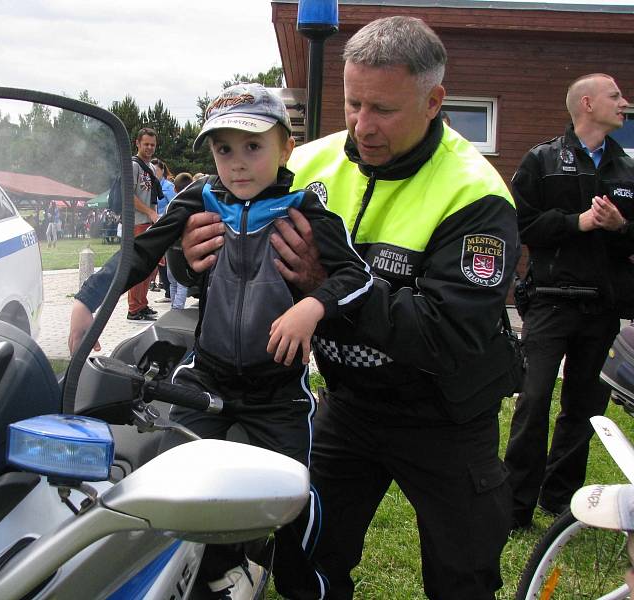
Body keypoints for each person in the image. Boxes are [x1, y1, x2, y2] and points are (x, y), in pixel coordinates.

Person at [179, 17, 520, 599]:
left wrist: (322, 287)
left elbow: (446, 332)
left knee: (462, 576)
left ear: (435, 100)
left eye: (383, 109)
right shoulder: (306, 163)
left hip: (446, 413)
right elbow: (237, 257)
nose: (363, 126)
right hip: (350, 402)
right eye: (352, 103)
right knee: (308, 556)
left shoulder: (474, 192)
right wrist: (194, 261)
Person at [69, 82, 372, 599]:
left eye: (253, 146)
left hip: (278, 393)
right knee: (166, 484)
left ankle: (304, 586)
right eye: (222, 148)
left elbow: (357, 275)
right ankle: (198, 570)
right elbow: (142, 250)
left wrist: (311, 305)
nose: (236, 163)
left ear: (286, 149)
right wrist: (87, 298)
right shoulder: (199, 198)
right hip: (203, 379)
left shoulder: (308, 210)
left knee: (297, 495)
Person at [504, 73, 634, 529]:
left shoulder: (627, 169)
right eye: (615, 96)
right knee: (534, 401)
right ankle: (515, 507)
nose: (624, 103)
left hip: (603, 308)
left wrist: (619, 226)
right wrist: (577, 223)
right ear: (586, 104)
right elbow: (521, 224)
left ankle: (559, 501)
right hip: (549, 302)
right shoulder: (542, 159)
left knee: (584, 409)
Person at [127, 127, 162, 321]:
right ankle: (134, 308)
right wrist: (149, 212)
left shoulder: (148, 168)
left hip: (148, 221)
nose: (149, 147)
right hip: (137, 222)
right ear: (137, 143)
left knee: (149, 266)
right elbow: (129, 195)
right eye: (146, 144)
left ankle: (142, 303)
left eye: (153, 145)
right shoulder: (134, 166)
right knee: (139, 265)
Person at [164, 171, 193, 310]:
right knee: (181, 281)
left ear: (174, 189)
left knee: (173, 281)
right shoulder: (195, 205)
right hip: (184, 249)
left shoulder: (171, 206)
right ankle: (177, 308)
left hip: (170, 248)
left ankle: (174, 308)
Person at [151, 157, 176, 300]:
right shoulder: (151, 185)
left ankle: (169, 291)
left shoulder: (168, 186)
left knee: (166, 258)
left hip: (165, 224)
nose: (154, 172)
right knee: (159, 259)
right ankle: (167, 289)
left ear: (162, 170)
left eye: (156, 170)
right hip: (154, 225)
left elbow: (174, 205)